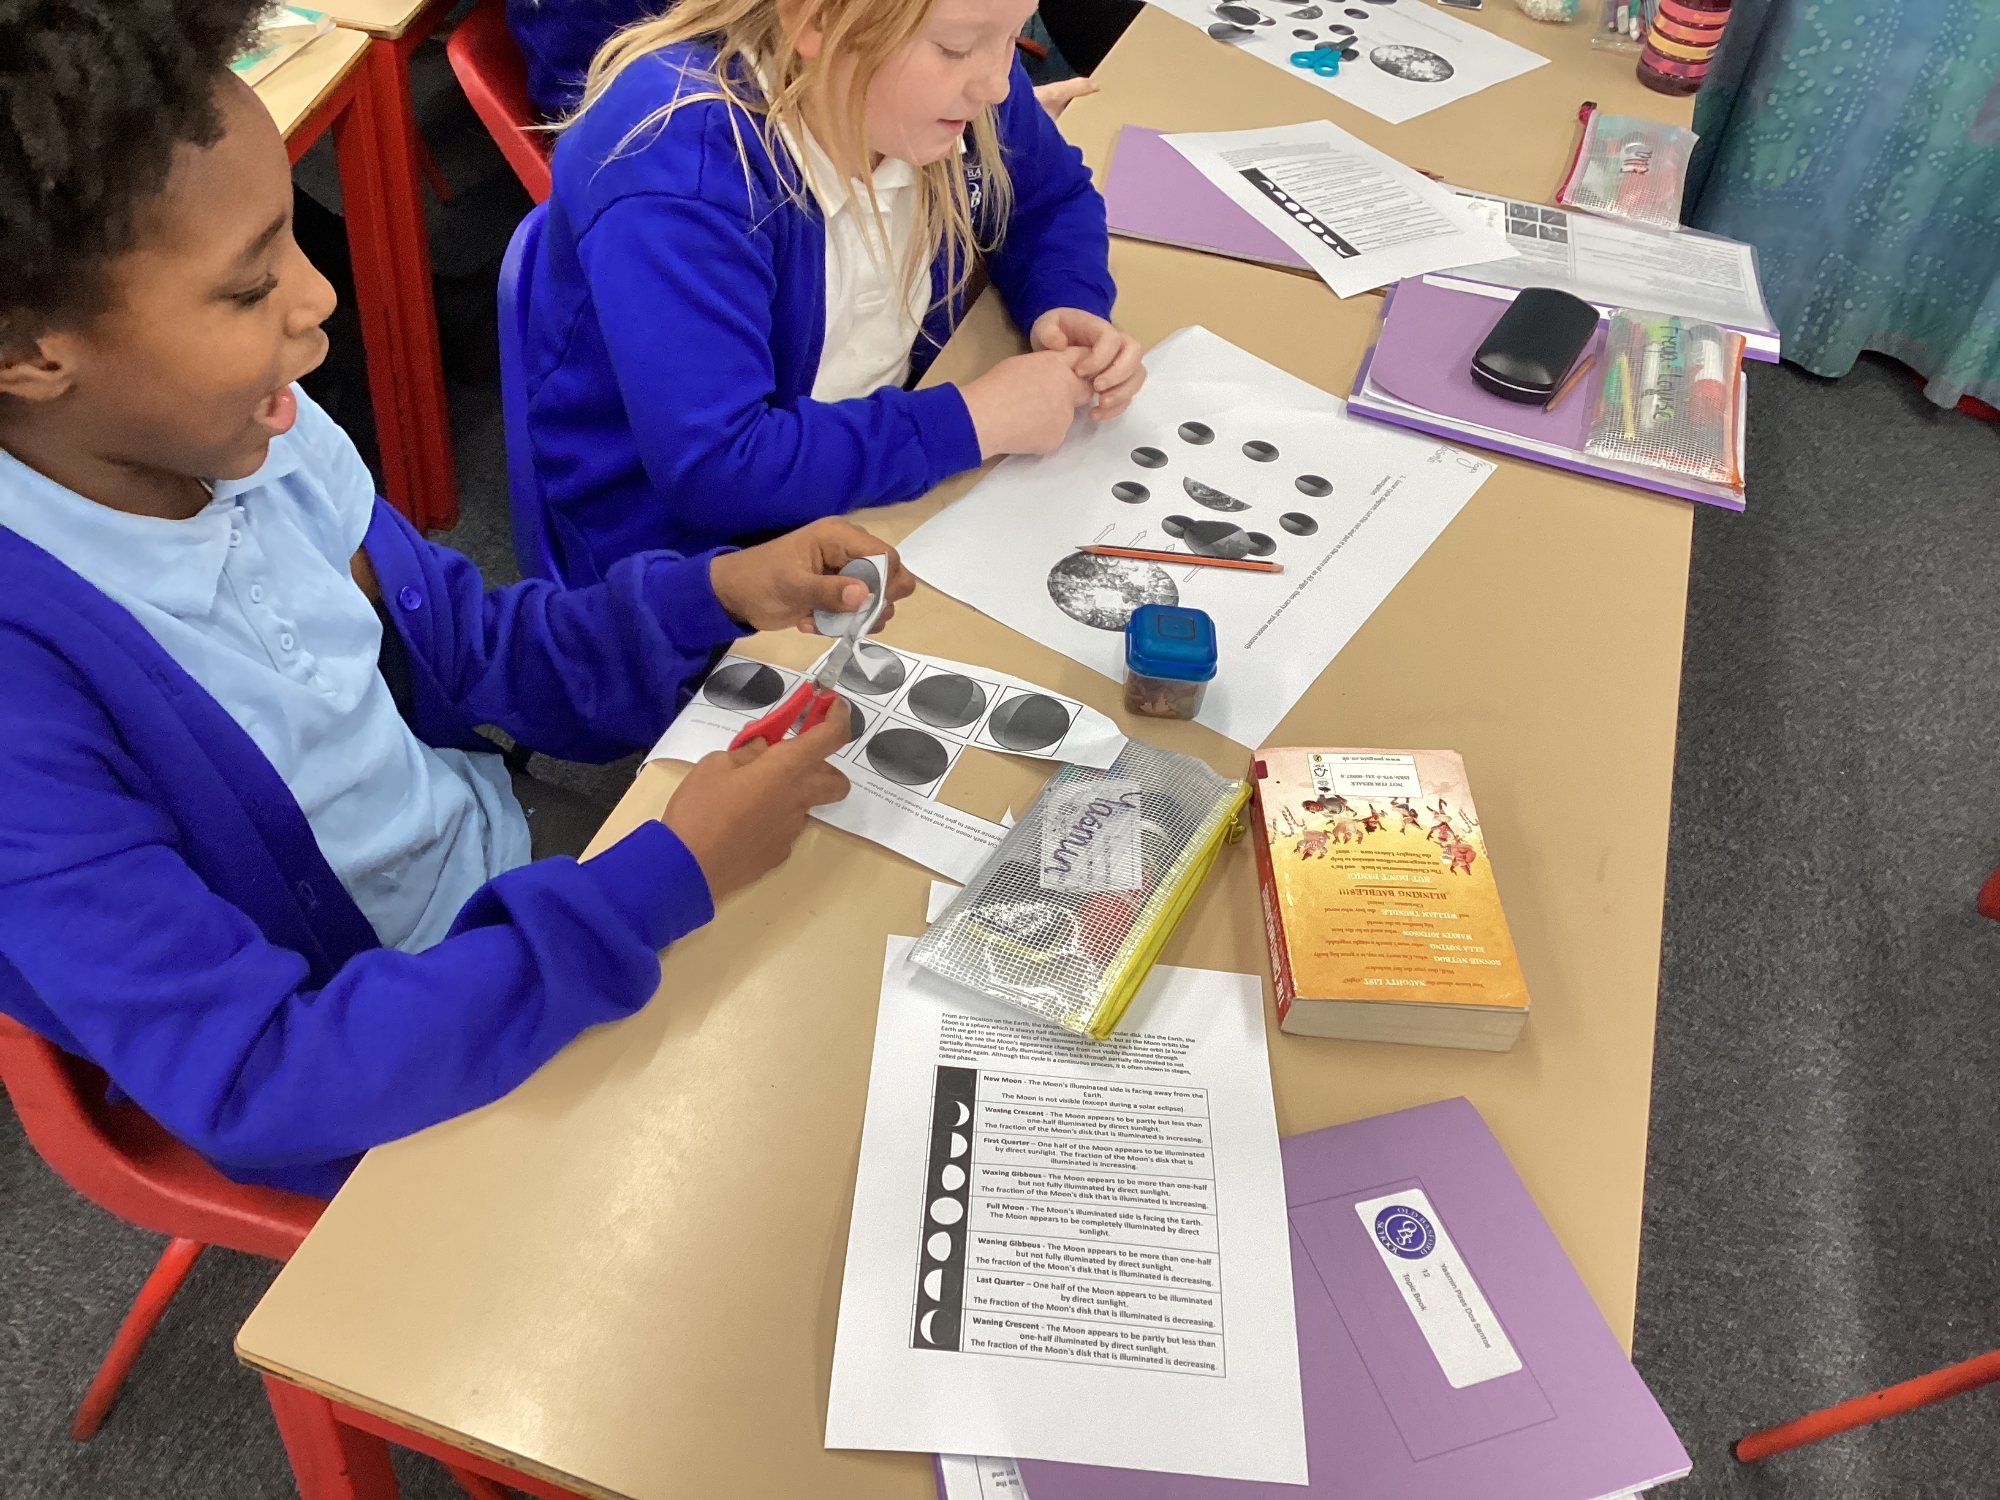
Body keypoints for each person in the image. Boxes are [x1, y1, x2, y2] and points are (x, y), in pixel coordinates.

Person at [0, 0, 912, 1199]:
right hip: (388, 1078)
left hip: (513, 907)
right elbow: (263, 1075)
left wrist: (711, 594)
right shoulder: (29, 693)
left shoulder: (251, 434)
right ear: (29, 354)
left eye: (292, 244)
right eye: (249, 286)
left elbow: (467, 643)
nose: (318, 301)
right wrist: (659, 883)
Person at [524, 0, 1147, 579]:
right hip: (698, 564)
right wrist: (975, 419)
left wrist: (1064, 298)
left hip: (873, 465)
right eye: (956, 49)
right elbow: (717, 467)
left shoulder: (947, 88)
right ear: (817, 22)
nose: (998, 85)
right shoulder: (683, 170)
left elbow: (1051, 199)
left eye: (1014, 36)